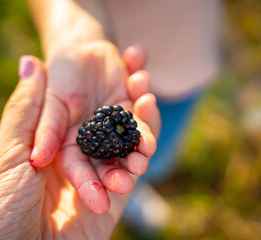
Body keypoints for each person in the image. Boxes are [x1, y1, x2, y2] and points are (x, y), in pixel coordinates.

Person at [27, 0, 221, 231]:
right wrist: (76, 39)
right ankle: (130, 193)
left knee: (159, 152)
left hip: (187, 70)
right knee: (142, 155)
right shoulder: (113, 126)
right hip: (112, 64)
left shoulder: (119, 129)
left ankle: (140, 187)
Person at [0, 55, 160, 239]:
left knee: (155, 155)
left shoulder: (119, 132)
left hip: (182, 83)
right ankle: (139, 190)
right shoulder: (113, 130)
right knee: (145, 158)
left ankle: (142, 186)